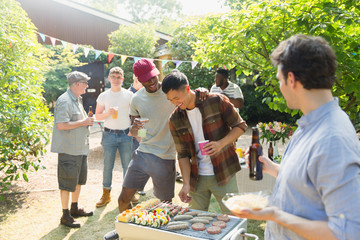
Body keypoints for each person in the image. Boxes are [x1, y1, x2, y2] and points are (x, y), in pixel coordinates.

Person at [235, 35, 360, 239]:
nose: (280, 87)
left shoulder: (332, 138)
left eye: (279, 80)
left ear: (291, 79)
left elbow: (347, 232)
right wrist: (271, 167)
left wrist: (275, 215)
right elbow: (310, 180)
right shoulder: (311, 123)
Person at [162, 70, 248, 213]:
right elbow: (182, 154)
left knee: (234, 218)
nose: (174, 103)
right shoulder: (174, 120)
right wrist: (186, 184)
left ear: (187, 89)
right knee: (195, 222)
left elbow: (240, 126)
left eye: (176, 98)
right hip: (197, 178)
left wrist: (221, 143)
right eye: (170, 100)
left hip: (224, 171)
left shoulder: (216, 101)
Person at [51, 71, 94, 228]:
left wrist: (87, 121)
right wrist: (84, 122)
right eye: (85, 83)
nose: (87, 86)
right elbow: (61, 125)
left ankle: (74, 209)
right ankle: (65, 215)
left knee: (78, 181)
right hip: (69, 150)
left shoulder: (77, 99)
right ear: (77, 84)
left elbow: (77, 121)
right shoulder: (64, 101)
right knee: (66, 184)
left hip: (80, 148)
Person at [94, 67, 135, 208]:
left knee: (127, 166)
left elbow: (136, 114)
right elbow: (97, 116)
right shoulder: (103, 96)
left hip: (125, 134)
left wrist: (133, 131)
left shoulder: (129, 95)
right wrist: (107, 113)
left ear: (122, 79)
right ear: (109, 78)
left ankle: (129, 194)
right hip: (108, 134)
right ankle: (106, 194)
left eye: (119, 76)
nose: (116, 79)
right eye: (113, 76)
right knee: (107, 166)